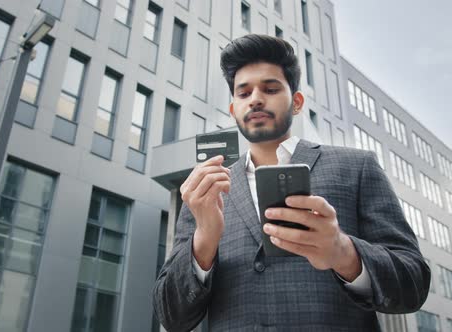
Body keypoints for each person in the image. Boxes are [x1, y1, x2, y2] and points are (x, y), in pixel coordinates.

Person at [153, 34, 430, 331]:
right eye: (243, 94)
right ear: (233, 110)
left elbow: (413, 284)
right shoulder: (204, 191)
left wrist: (344, 252)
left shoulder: (357, 166)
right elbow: (172, 317)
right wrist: (205, 239)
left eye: (270, 89)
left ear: (297, 103)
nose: (256, 98)